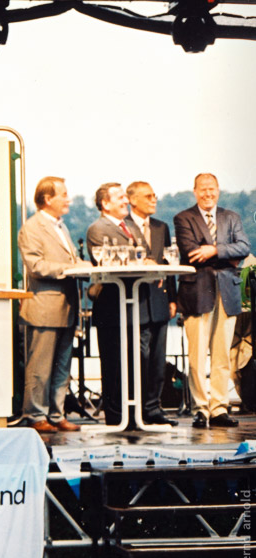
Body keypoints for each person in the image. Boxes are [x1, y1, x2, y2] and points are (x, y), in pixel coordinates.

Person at [174, 172, 252, 428]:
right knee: (197, 355)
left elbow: (244, 248)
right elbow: (190, 251)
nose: (208, 194)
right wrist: (227, 255)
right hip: (197, 292)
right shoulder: (183, 218)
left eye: (212, 189)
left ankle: (219, 408)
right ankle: (200, 408)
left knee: (222, 355)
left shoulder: (231, 217)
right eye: (203, 189)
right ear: (195, 191)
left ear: (218, 190)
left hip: (227, 292)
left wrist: (215, 250)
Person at [16, 176, 89, 433]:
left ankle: (57, 414)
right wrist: (71, 268)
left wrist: (88, 267)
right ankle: (36, 414)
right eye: (64, 194)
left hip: (67, 308)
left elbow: (72, 259)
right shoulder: (32, 228)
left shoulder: (61, 227)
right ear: (48, 199)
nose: (68, 199)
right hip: (44, 309)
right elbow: (36, 266)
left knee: (62, 366)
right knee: (40, 367)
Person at [87, 182, 148, 427]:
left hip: (132, 306)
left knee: (135, 361)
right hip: (112, 307)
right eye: (120, 197)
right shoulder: (97, 228)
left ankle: (133, 415)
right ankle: (115, 417)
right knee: (113, 363)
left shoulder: (131, 226)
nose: (126, 200)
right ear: (105, 204)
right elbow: (110, 262)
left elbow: (144, 252)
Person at [125, 181, 178, 426]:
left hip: (159, 301)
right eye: (148, 196)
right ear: (132, 200)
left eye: (155, 195)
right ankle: (135, 408)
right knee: (140, 356)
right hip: (135, 301)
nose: (153, 200)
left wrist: (172, 299)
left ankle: (153, 407)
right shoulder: (122, 225)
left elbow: (169, 266)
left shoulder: (161, 227)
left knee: (158, 358)